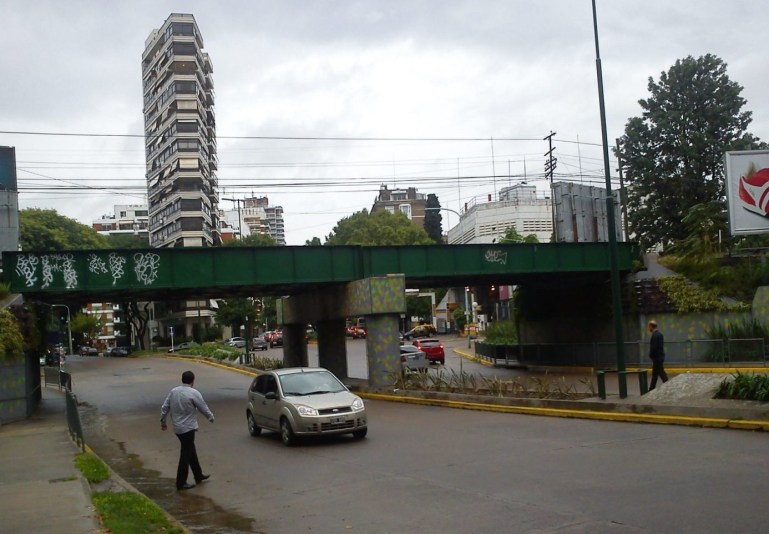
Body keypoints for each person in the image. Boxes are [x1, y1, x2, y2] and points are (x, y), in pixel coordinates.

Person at [160, 370, 215, 490]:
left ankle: (198, 475)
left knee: (190, 450)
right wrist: (210, 417)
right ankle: (181, 482)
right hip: (188, 428)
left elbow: (165, 407)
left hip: (178, 427)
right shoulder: (194, 393)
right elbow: (202, 406)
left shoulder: (173, 391)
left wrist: (163, 421)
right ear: (193, 381)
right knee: (185, 454)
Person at [647, 320, 668, 390]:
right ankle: (651, 389)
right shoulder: (660, 334)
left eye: (649, 326)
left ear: (651, 326)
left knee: (662, 374)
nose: (648, 328)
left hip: (656, 358)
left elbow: (654, 347)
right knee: (655, 375)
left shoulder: (655, 335)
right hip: (660, 357)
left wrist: (651, 355)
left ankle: (669, 387)